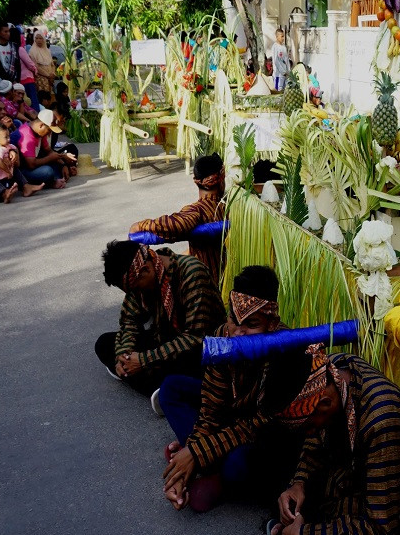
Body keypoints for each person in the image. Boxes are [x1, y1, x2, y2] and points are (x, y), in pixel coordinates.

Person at [161, 266, 303, 513]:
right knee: (171, 389)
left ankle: (213, 470)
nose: (238, 333)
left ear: (272, 324)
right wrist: (187, 463)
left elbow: (257, 425)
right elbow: (210, 410)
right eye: (233, 320)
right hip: (230, 418)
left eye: (251, 324)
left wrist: (195, 451)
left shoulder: (285, 354)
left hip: (260, 432)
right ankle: (197, 462)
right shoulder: (222, 337)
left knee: (240, 464)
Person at [269, 346, 400, 535]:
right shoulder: (332, 370)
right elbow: (315, 440)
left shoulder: (382, 422)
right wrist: (298, 483)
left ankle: (304, 529)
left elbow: (382, 531)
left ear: (325, 404)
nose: (309, 433)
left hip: (398, 512)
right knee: (278, 459)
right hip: (352, 466)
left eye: (309, 426)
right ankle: (304, 522)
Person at [94, 240, 226, 397]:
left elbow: (196, 337)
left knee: (189, 361)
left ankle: (163, 388)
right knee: (105, 344)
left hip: (200, 346)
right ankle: (163, 389)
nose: (136, 293)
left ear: (145, 269)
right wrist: (123, 354)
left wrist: (144, 360)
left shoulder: (191, 272)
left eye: (136, 288)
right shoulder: (139, 280)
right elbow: (129, 322)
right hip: (164, 339)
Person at [129, 153, 226, 285]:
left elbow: (177, 224)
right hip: (223, 277)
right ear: (221, 179)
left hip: (208, 282)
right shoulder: (228, 206)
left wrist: (141, 225)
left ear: (196, 181)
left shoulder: (197, 210)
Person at [16, 108, 74, 188]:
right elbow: (31, 164)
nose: (49, 133)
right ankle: (51, 182)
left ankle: (56, 179)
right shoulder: (27, 136)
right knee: (47, 171)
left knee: (57, 164)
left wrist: (63, 164)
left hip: (32, 165)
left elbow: (49, 151)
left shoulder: (39, 133)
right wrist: (50, 158)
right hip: (21, 171)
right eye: (49, 130)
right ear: (41, 125)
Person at [11, 28, 39, 110]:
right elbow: (29, 63)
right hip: (27, 79)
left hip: (18, 80)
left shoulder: (11, 49)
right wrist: (35, 70)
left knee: (23, 104)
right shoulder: (20, 49)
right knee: (33, 102)